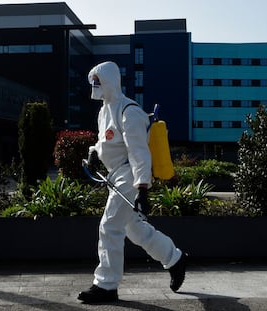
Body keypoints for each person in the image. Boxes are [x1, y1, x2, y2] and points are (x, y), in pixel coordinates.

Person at [77, 61, 187, 303]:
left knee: (109, 226)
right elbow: (103, 141)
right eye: (93, 82)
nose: (94, 86)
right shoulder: (105, 111)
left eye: (97, 81)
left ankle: (106, 285)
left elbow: (139, 154)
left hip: (129, 176)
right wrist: (94, 152)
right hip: (115, 177)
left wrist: (142, 188)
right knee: (135, 230)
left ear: (109, 82)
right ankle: (175, 258)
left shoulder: (129, 112)